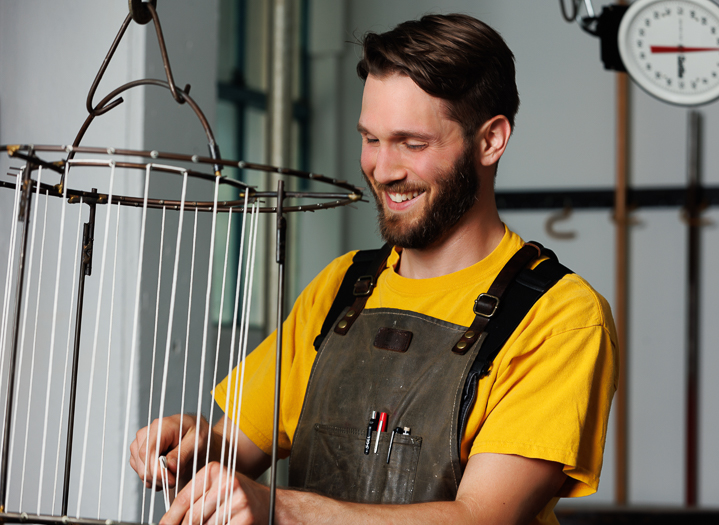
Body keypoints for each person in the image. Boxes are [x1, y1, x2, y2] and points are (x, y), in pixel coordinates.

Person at [129, 13, 618, 525]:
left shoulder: (557, 315)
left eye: (412, 143)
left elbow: (482, 517)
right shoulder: (342, 287)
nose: (382, 171)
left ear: (490, 140)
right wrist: (196, 447)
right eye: (371, 139)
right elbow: (238, 445)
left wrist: (281, 508)